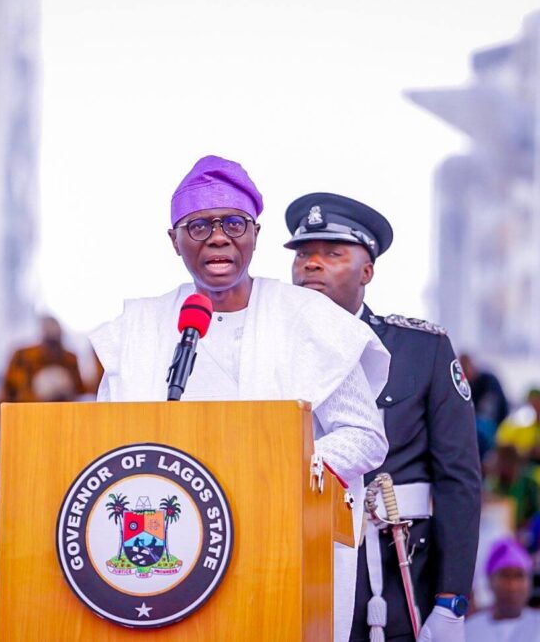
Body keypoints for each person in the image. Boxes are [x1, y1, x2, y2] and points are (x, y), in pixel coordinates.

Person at [90, 157, 390, 642]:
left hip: (279, 550)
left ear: (254, 234)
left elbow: (365, 437)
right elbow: (106, 445)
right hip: (169, 566)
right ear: (174, 240)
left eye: (234, 223)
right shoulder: (139, 330)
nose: (218, 237)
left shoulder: (309, 318)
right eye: (199, 225)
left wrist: (280, 469)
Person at [284, 192, 481, 642]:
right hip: (299, 561)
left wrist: (452, 600)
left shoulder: (421, 349)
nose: (311, 265)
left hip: (396, 567)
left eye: (332, 253)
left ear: (367, 271)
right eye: (303, 255)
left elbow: (459, 479)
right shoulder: (270, 352)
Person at [2, 316, 87, 402]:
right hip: (28, 408)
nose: (53, 349)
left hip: (63, 409)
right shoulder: (22, 356)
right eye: (50, 341)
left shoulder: (70, 359)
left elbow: (79, 391)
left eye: (56, 342)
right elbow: (9, 390)